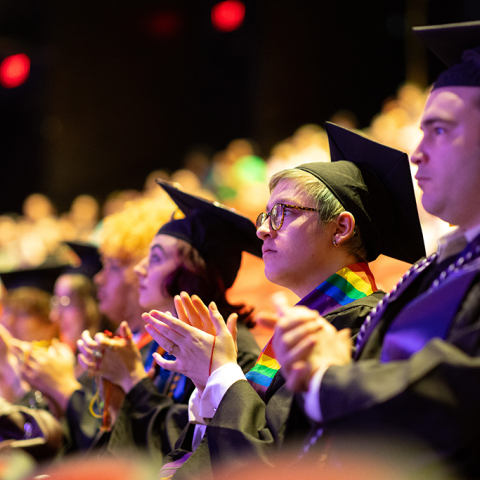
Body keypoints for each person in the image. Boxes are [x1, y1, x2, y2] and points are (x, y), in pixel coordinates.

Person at [142, 122, 425, 479]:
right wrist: (208, 381)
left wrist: (221, 375)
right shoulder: (312, 321)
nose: (262, 228)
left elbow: (280, 463)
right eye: (265, 214)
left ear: (340, 228)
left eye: (283, 213)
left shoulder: (364, 328)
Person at [272, 20, 480, 479]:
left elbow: (460, 400)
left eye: (440, 131)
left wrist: (330, 376)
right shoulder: (439, 270)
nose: (418, 152)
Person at [77, 181, 262, 462]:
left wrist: (133, 381)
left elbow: (203, 448)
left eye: (155, 259)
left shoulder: (235, 350)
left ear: (193, 272)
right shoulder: (165, 341)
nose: (139, 270)